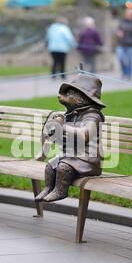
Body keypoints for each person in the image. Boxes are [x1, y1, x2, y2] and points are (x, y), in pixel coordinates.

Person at [35, 74, 105, 203]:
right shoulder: (70, 115)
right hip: (71, 156)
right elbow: (57, 138)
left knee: (63, 167)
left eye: (69, 94)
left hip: (89, 160)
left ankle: (60, 191)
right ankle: (48, 188)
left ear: (82, 98)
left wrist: (63, 127)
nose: (61, 96)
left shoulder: (93, 116)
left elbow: (85, 135)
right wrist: (51, 130)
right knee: (50, 165)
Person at [116, 9, 132, 80]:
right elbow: (117, 30)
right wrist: (118, 33)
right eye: (127, 13)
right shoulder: (122, 22)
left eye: (130, 13)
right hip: (121, 44)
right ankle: (124, 72)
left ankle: (129, 75)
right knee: (120, 58)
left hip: (130, 45)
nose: (128, 14)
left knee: (129, 61)